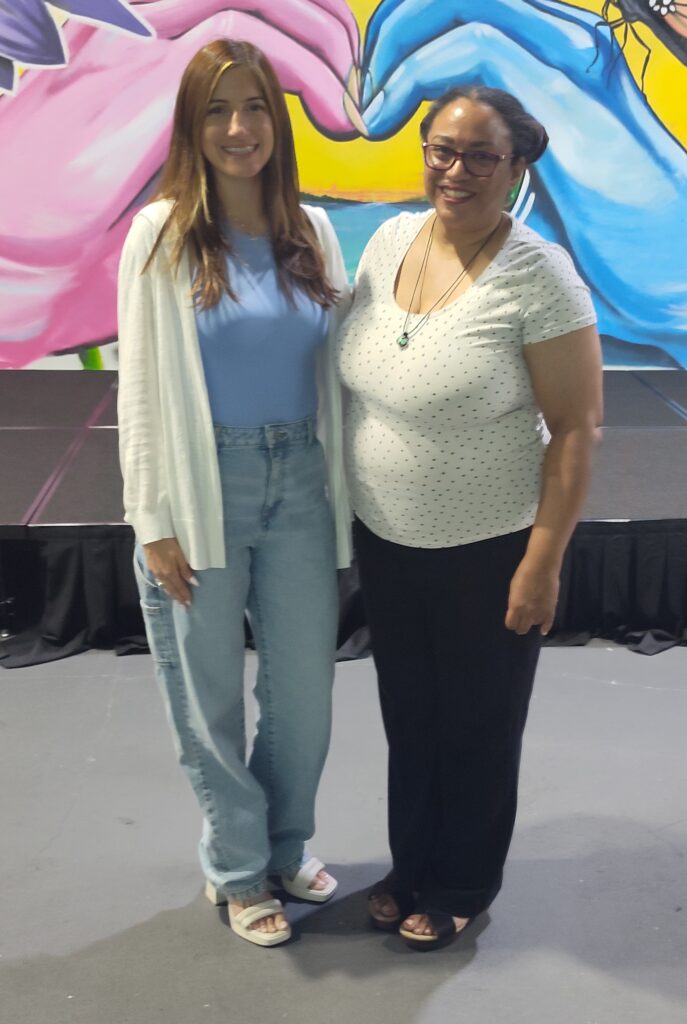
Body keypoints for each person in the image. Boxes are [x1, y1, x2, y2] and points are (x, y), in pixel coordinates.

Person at [336, 86, 603, 950]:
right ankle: (411, 865)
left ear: (516, 166)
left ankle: (461, 881)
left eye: (480, 156)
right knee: (409, 715)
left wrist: (543, 561)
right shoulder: (386, 240)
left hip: (490, 545)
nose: (455, 171)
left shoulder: (539, 275)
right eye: (441, 150)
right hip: (386, 536)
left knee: (478, 723)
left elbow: (576, 428)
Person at [117, 38, 351, 948]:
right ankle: (237, 868)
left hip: (300, 482)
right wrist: (153, 518)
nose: (238, 128)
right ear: (192, 126)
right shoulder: (162, 233)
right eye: (216, 111)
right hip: (200, 482)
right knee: (206, 695)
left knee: (303, 694)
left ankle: (287, 846)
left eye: (253, 107)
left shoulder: (313, 233)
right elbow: (137, 389)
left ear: (275, 121)